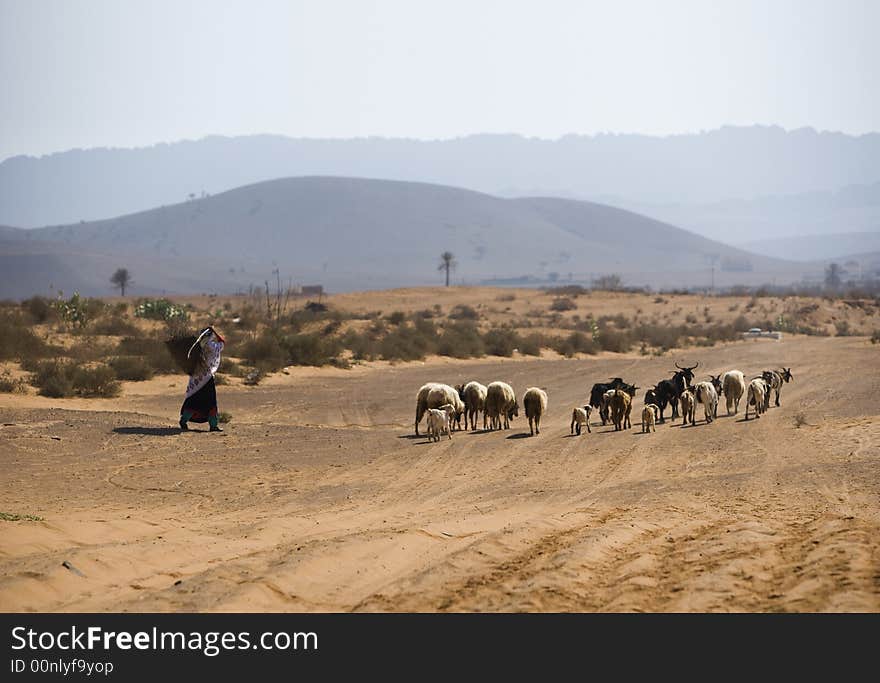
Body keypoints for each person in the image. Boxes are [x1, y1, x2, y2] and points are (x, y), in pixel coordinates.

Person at [179, 326, 225, 432]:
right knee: (210, 402)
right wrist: (214, 331)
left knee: (193, 400)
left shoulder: (195, 346)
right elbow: (222, 342)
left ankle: (183, 420)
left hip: (196, 378)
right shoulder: (212, 346)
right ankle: (213, 425)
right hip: (207, 379)